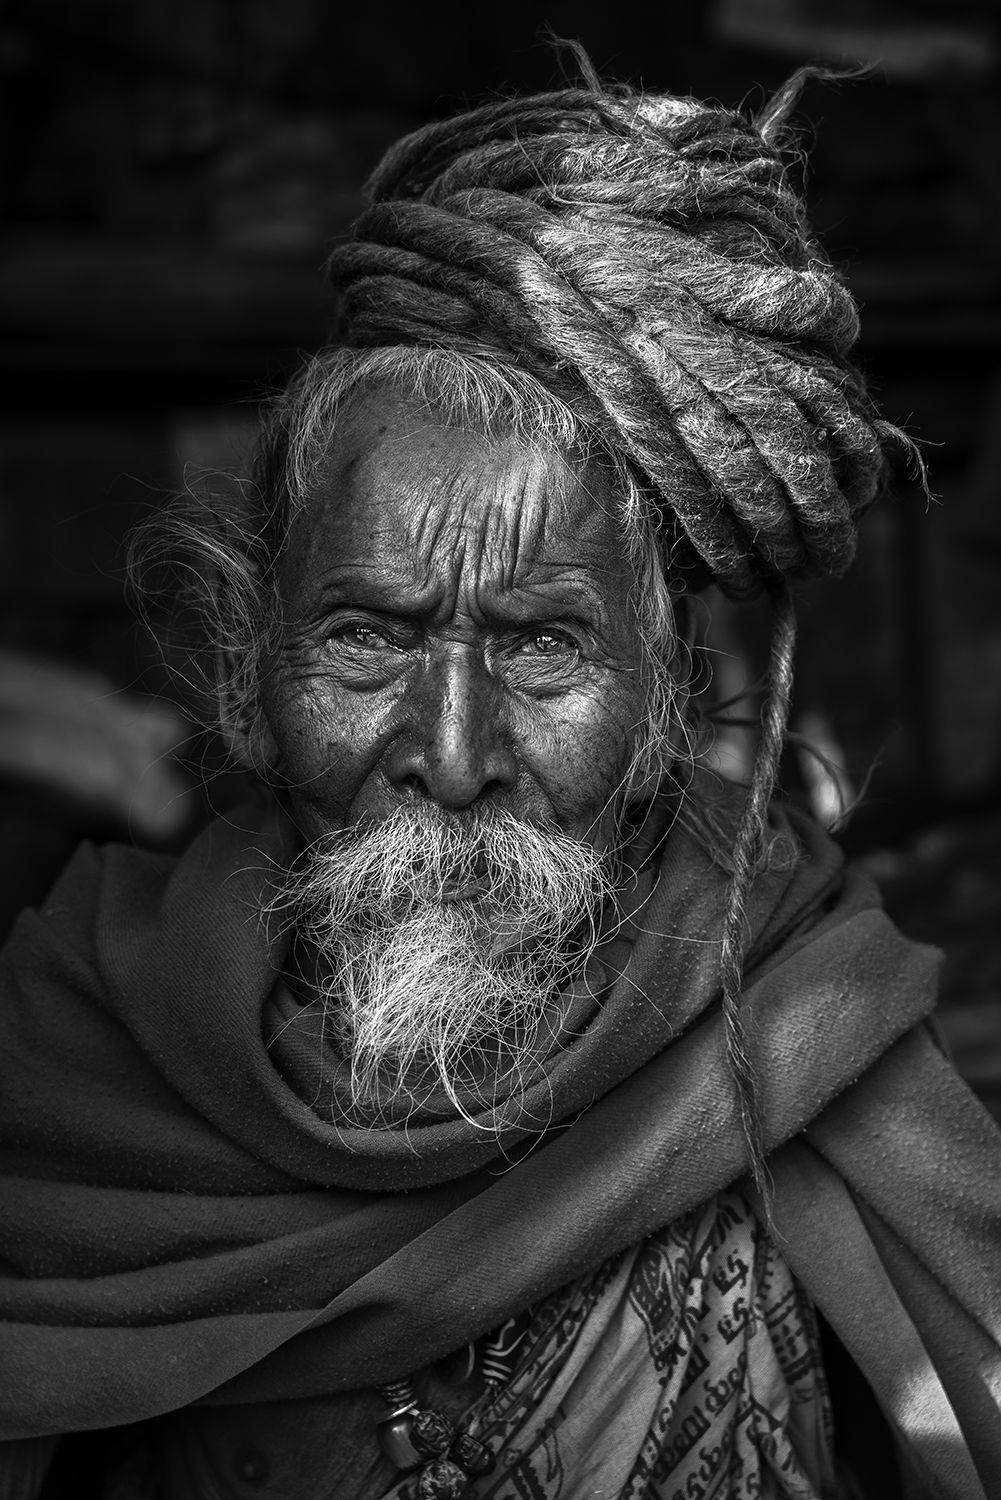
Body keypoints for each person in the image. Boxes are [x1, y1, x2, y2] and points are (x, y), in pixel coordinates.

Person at [2, 58, 1000, 1500]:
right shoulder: (68, 1072)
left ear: (672, 693)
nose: (452, 756)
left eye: (541, 647)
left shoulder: (809, 1041)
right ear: (240, 667)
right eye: (365, 638)